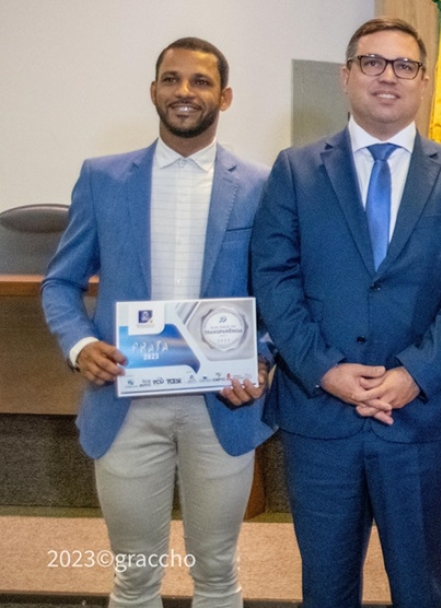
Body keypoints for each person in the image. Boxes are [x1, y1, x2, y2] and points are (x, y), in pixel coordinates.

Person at [251, 17, 441, 608]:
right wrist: (324, 369)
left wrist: (415, 373)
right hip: (320, 418)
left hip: (421, 420)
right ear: (346, 76)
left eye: (404, 65)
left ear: (422, 82)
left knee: (420, 586)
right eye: (372, 62)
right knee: (326, 587)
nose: (388, 76)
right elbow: (273, 277)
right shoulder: (295, 169)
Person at [42, 37, 273, 608]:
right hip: (127, 401)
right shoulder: (103, 178)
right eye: (171, 80)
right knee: (134, 578)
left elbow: (282, 296)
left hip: (221, 402)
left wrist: (262, 356)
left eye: (199, 81)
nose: (184, 92)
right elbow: (60, 284)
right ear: (154, 91)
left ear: (225, 95)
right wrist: (80, 344)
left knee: (218, 576)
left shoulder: (263, 185)